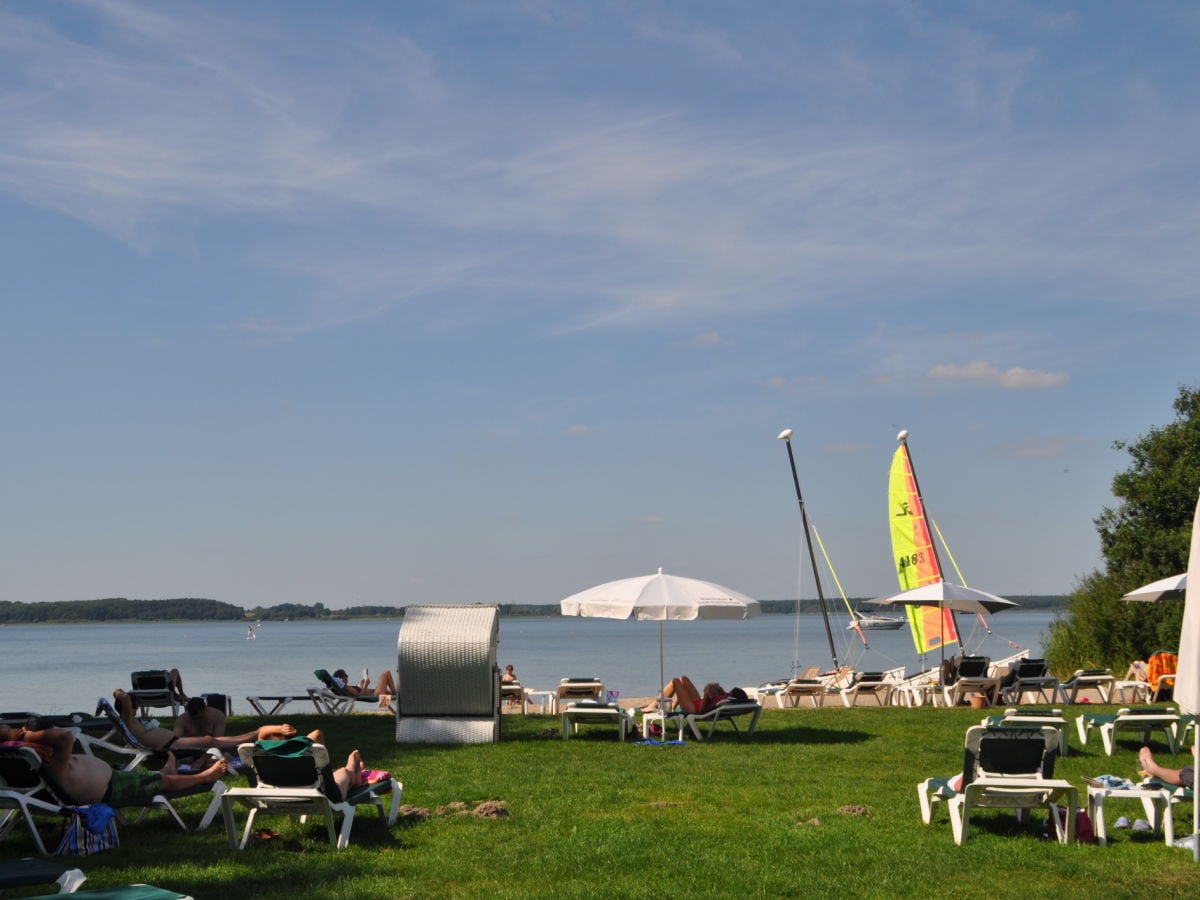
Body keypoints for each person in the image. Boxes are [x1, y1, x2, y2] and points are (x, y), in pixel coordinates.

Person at [0, 722, 228, 806]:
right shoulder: (50, 762)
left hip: (106, 781)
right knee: (163, 782)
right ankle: (204, 777)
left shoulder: (22, 760)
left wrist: (17, 737)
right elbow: (63, 737)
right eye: (14, 732)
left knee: (156, 777)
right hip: (109, 788)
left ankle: (163, 771)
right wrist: (27, 736)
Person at [111, 689, 297, 752]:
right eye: (134, 706)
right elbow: (125, 697)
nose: (135, 709)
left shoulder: (130, 721)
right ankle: (257, 733)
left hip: (172, 742)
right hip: (171, 745)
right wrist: (118, 693)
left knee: (213, 740)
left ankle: (257, 734)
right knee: (211, 741)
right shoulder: (127, 719)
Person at [640, 676, 729, 714]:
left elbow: (703, 710)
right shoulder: (727, 697)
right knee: (683, 679)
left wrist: (707, 693)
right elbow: (716, 699)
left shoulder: (725, 701)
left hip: (694, 709)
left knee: (675, 681)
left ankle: (654, 705)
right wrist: (719, 690)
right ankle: (671, 708)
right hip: (698, 702)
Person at [332, 668, 397, 698]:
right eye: (346, 675)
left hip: (374, 692)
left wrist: (361, 684)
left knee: (389, 692)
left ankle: (396, 694)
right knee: (386, 673)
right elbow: (360, 695)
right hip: (375, 695)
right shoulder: (347, 688)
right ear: (342, 678)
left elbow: (358, 691)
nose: (347, 676)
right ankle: (395, 693)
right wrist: (366, 685)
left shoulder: (346, 687)